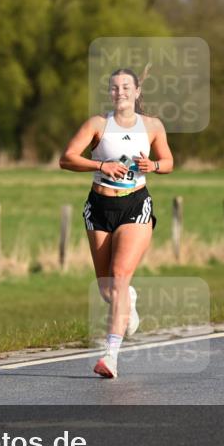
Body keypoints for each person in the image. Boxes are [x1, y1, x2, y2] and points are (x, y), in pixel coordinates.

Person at [59, 67, 174, 379]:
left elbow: (168, 162)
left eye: (126, 87)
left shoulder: (152, 125)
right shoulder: (97, 124)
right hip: (98, 206)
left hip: (135, 205)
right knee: (108, 289)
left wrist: (155, 165)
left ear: (137, 92)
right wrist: (101, 165)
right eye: (114, 87)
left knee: (120, 276)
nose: (120, 91)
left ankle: (110, 356)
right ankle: (129, 300)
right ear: (109, 93)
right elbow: (67, 158)